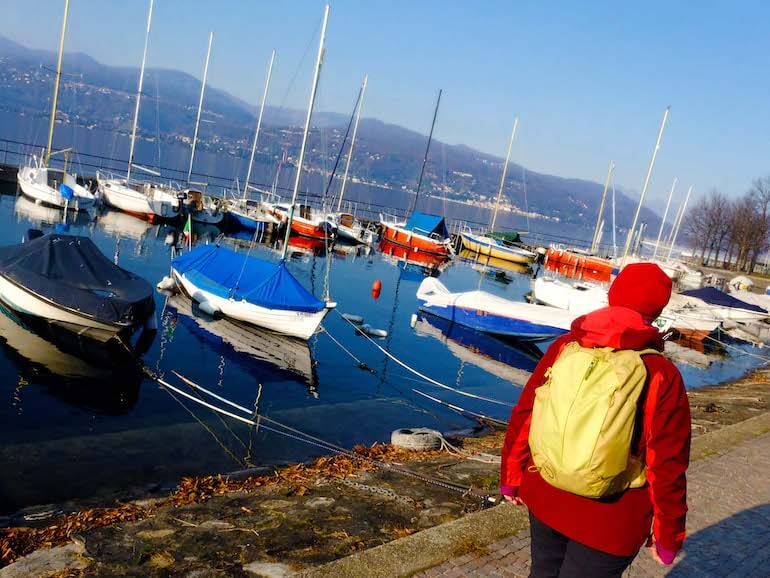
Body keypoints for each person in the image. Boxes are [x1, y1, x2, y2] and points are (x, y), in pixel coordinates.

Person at [500, 263, 691, 577]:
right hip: (611, 521)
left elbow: (527, 414)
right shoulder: (661, 373)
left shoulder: (566, 346)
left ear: (613, 294)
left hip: (547, 492)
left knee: (543, 571)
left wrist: (511, 478)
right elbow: (667, 463)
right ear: (658, 309)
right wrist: (668, 535)